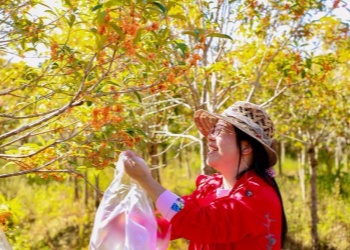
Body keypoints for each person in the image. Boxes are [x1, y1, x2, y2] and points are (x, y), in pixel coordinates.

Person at [121, 101, 288, 249]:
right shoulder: (211, 187)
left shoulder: (257, 197)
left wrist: (146, 180)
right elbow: (176, 214)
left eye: (220, 130)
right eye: (212, 130)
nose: (210, 137)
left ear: (246, 147)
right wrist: (128, 223)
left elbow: (199, 223)